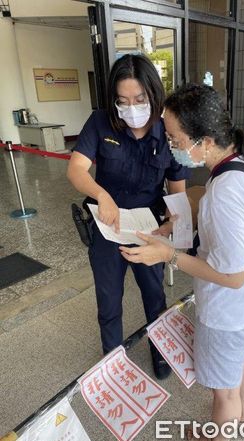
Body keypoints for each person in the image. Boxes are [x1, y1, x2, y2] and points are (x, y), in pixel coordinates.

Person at [120, 84, 244, 441]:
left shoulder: (224, 192)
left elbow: (233, 276)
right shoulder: (240, 163)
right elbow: (212, 200)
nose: (172, 146)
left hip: (229, 310)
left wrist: (168, 255)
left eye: (174, 139)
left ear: (203, 140)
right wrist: (181, 217)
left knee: (224, 394)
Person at [67, 54, 189, 379]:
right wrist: (101, 194)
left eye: (139, 99)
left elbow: (177, 191)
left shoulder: (167, 130)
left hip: (147, 228)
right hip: (108, 225)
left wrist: (173, 226)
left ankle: (161, 352)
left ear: (153, 96)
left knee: (154, 295)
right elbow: (76, 169)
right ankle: (112, 361)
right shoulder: (100, 122)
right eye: (123, 100)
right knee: (108, 300)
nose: (131, 108)